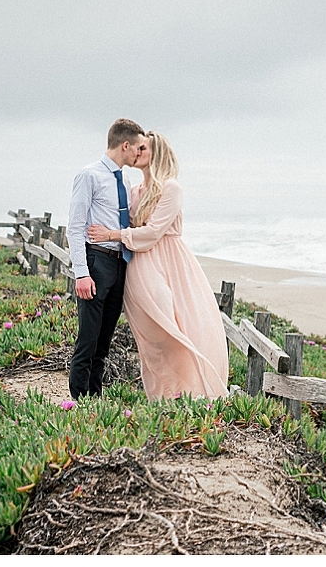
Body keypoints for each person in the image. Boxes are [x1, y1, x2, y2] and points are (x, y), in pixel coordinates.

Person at [88, 131, 229, 399]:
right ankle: (162, 397)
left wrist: (112, 235)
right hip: (140, 267)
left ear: (158, 154)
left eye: (144, 148)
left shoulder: (171, 188)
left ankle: (194, 393)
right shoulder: (134, 190)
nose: (137, 152)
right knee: (153, 340)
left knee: (179, 329)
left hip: (170, 265)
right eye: (138, 148)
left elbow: (153, 232)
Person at [65, 118, 145, 399]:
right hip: (96, 261)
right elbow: (74, 227)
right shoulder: (89, 175)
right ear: (125, 145)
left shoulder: (124, 179)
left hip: (119, 264)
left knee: (104, 342)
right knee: (87, 340)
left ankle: (94, 400)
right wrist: (82, 273)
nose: (139, 153)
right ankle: (77, 402)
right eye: (137, 148)